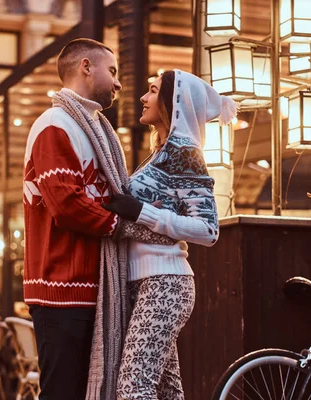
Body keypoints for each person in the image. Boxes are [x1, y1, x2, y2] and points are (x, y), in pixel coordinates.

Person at [22, 38, 171, 400]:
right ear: (86, 67)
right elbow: (66, 204)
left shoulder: (95, 129)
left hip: (91, 288)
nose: (119, 84)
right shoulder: (55, 124)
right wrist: (128, 226)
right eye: (113, 71)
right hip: (61, 289)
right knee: (63, 393)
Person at [103, 69, 238, 399]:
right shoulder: (162, 153)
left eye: (152, 91)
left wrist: (141, 212)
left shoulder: (184, 151)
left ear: (172, 103)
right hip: (147, 282)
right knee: (166, 391)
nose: (143, 97)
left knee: (134, 388)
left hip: (166, 282)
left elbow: (208, 230)